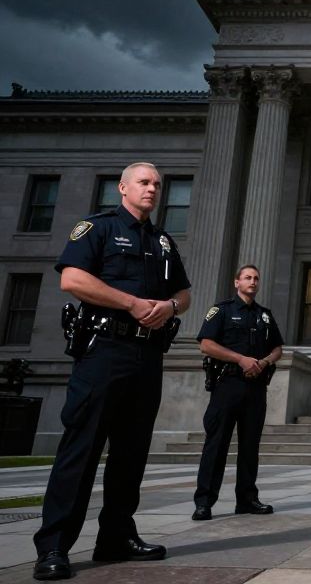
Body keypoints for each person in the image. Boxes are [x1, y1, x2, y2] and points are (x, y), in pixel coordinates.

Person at [33, 162, 191, 581]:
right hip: (103, 350)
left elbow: (185, 292)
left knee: (131, 454)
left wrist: (170, 307)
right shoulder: (97, 228)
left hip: (147, 355)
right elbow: (72, 279)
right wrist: (131, 303)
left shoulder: (162, 241)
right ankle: (53, 546)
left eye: (157, 184)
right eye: (144, 182)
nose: (152, 189)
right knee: (81, 449)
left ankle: (116, 537)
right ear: (122, 187)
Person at [192, 265, 283, 521]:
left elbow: (278, 348)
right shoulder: (221, 311)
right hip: (227, 384)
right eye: (247, 278)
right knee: (216, 444)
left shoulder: (264, 316)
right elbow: (206, 345)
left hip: (256, 387)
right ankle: (204, 502)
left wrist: (263, 362)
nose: (252, 282)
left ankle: (247, 499)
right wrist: (241, 359)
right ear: (236, 282)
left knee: (250, 446)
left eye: (256, 278)